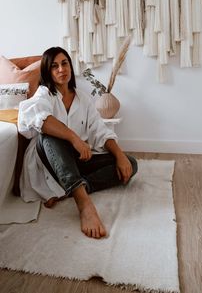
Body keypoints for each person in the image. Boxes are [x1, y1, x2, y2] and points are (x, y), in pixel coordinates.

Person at [18, 46, 138, 239]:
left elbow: (100, 130)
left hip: (76, 162)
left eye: (64, 63)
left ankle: (76, 187)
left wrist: (120, 155)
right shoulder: (43, 94)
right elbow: (37, 118)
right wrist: (74, 138)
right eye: (54, 66)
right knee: (48, 134)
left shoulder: (83, 98)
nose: (61, 69)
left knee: (130, 164)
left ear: (70, 67)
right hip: (50, 162)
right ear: (47, 71)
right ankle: (84, 205)